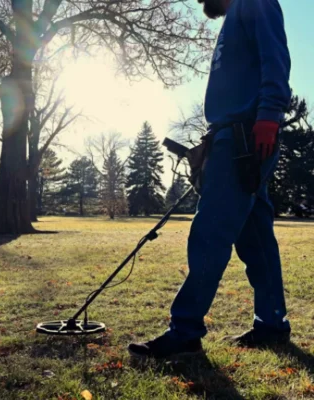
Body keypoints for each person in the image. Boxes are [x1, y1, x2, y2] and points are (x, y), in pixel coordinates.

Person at [128, 0, 292, 360]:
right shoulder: (234, 15)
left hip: (245, 139)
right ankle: (272, 324)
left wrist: (268, 116)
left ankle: (185, 332)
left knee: (210, 233)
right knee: (256, 239)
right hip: (232, 136)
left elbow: (275, 58)